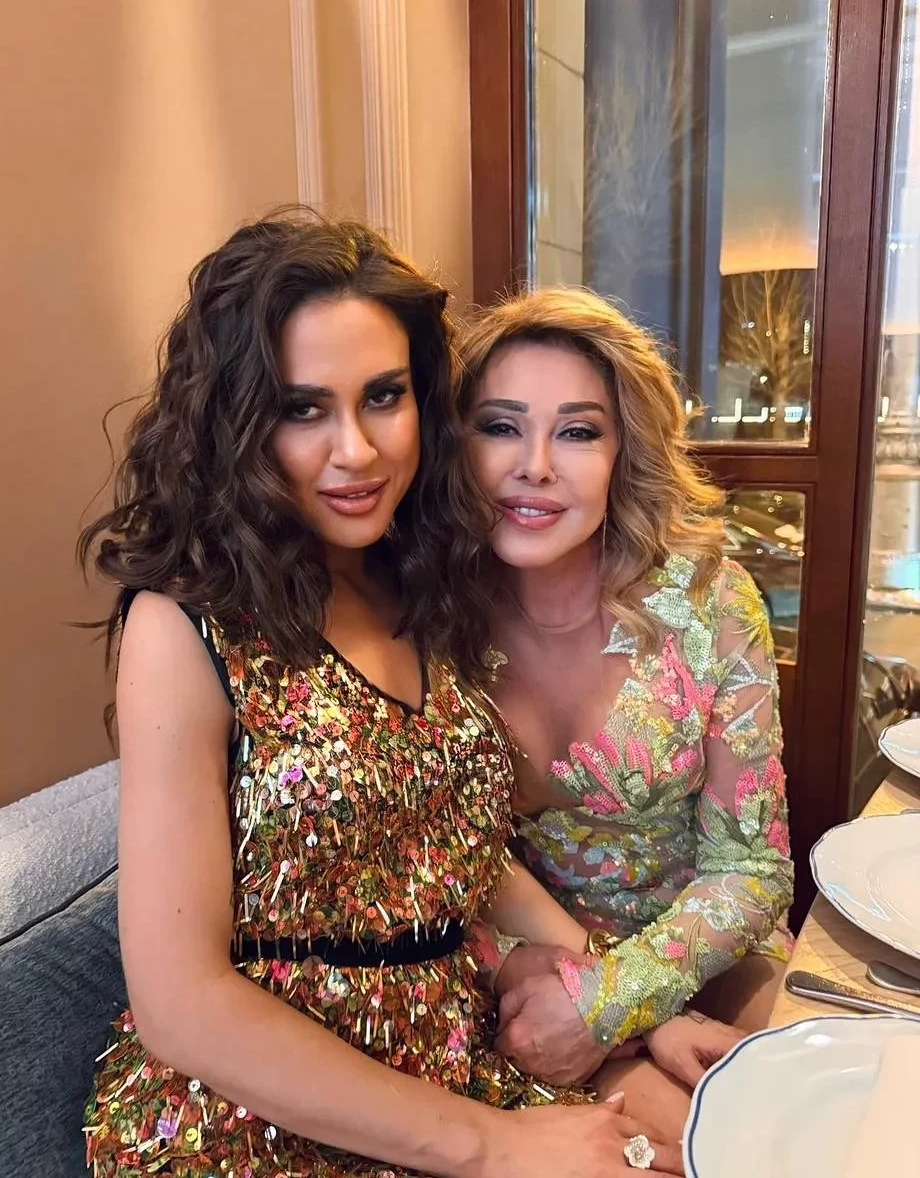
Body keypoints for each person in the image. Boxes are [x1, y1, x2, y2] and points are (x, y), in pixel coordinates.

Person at [77, 214, 686, 1177]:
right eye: (302, 409)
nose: (356, 451)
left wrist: (626, 1002)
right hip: (257, 1117)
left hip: (457, 1054)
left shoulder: (421, 576)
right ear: (235, 423)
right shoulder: (183, 625)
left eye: (383, 397)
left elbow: (454, 849)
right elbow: (180, 1003)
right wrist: (493, 1147)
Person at [458, 288, 794, 1137]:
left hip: (708, 955)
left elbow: (753, 869)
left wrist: (617, 1000)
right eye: (500, 426)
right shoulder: (425, 618)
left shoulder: (712, 602)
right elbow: (444, 858)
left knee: (775, 1134)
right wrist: (582, 999)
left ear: (623, 452)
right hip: (519, 970)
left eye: (577, 432)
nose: (536, 465)